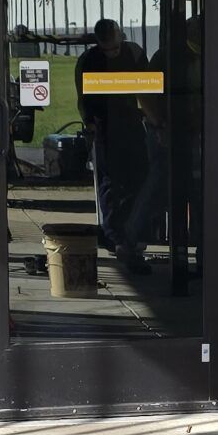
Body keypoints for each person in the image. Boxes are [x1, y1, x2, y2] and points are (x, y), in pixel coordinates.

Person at [75, 17, 152, 271]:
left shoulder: (133, 53)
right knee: (109, 184)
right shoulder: (89, 61)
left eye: (115, 47)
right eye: (108, 49)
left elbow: (149, 88)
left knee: (138, 178)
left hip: (131, 123)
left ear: (121, 36)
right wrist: (90, 124)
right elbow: (85, 97)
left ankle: (129, 231)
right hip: (105, 126)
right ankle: (114, 236)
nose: (113, 53)